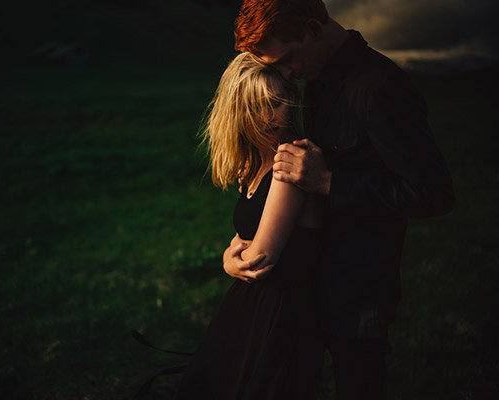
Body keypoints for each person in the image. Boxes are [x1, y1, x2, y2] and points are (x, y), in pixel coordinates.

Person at [223, 0, 456, 398]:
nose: (284, 74)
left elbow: (433, 194)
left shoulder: (379, 86)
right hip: (304, 288)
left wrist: (331, 182)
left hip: (357, 290)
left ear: (314, 29)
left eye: (286, 59)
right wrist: (237, 251)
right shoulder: (313, 77)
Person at [174, 52, 325, 399]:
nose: (268, 116)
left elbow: (261, 258)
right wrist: (229, 255)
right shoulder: (255, 165)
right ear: (236, 110)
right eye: (256, 105)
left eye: (277, 103)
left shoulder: (291, 165)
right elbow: (245, 235)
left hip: (283, 313)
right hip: (252, 306)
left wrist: (234, 259)